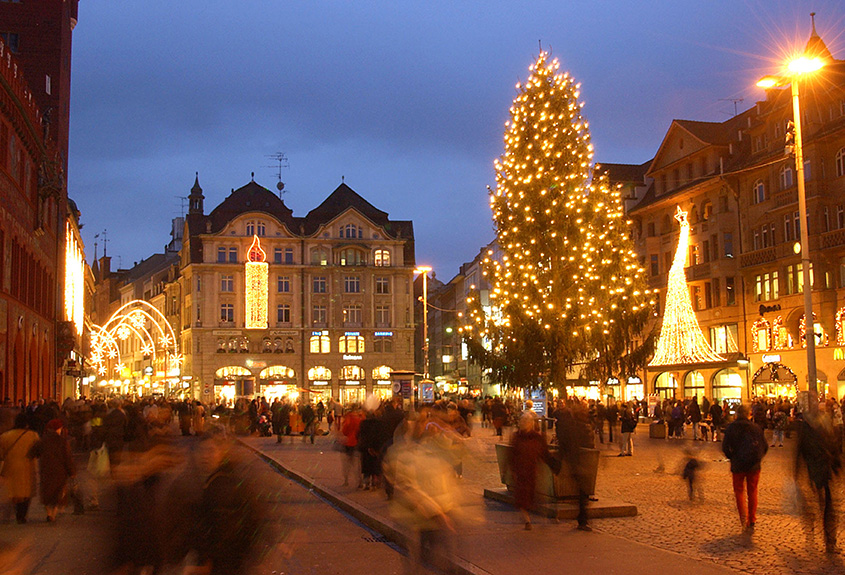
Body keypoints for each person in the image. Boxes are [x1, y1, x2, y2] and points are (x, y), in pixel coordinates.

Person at [795, 405, 842, 554]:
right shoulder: (817, 429)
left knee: (826, 506)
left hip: (820, 472)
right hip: (818, 472)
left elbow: (833, 448)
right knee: (826, 507)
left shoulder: (815, 429)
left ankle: (827, 539)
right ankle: (828, 540)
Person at [722, 404, 768, 535]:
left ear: (736, 414)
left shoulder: (731, 428)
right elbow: (765, 446)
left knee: (739, 492)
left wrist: (732, 457)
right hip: (754, 465)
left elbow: (725, 447)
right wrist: (758, 458)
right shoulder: (755, 428)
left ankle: (743, 518)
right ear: (749, 414)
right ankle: (751, 519)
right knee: (752, 491)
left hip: (737, 465)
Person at [510, 411, 557, 530]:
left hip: (532, 470)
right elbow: (512, 454)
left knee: (532, 495)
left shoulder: (537, 437)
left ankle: (539, 516)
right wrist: (511, 469)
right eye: (522, 421)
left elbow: (544, 453)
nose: (524, 423)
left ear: (531, 423)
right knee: (523, 497)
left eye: (526, 421)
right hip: (520, 471)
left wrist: (554, 465)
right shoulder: (516, 437)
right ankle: (527, 520)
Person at [554, 400, 593, 531]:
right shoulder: (578, 427)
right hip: (578, 462)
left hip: (577, 461)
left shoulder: (575, 426)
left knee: (582, 491)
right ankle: (582, 519)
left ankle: (583, 519)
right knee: (582, 491)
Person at [0, 414, 40, 523]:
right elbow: (37, 452)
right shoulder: (33, 435)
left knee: (13, 491)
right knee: (26, 493)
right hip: (27, 467)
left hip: (10, 467)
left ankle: (15, 512)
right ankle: (21, 515)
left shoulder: (5, 436)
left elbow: (1, 453)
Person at [38, 419, 76, 522]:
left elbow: (35, 452)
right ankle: (53, 513)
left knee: (46, 492)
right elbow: (67, 458)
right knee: (57, 493)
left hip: (45, 469)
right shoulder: (62, 441)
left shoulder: (43, 440)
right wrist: (72, 472)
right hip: (59, 471)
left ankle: (48, 513)